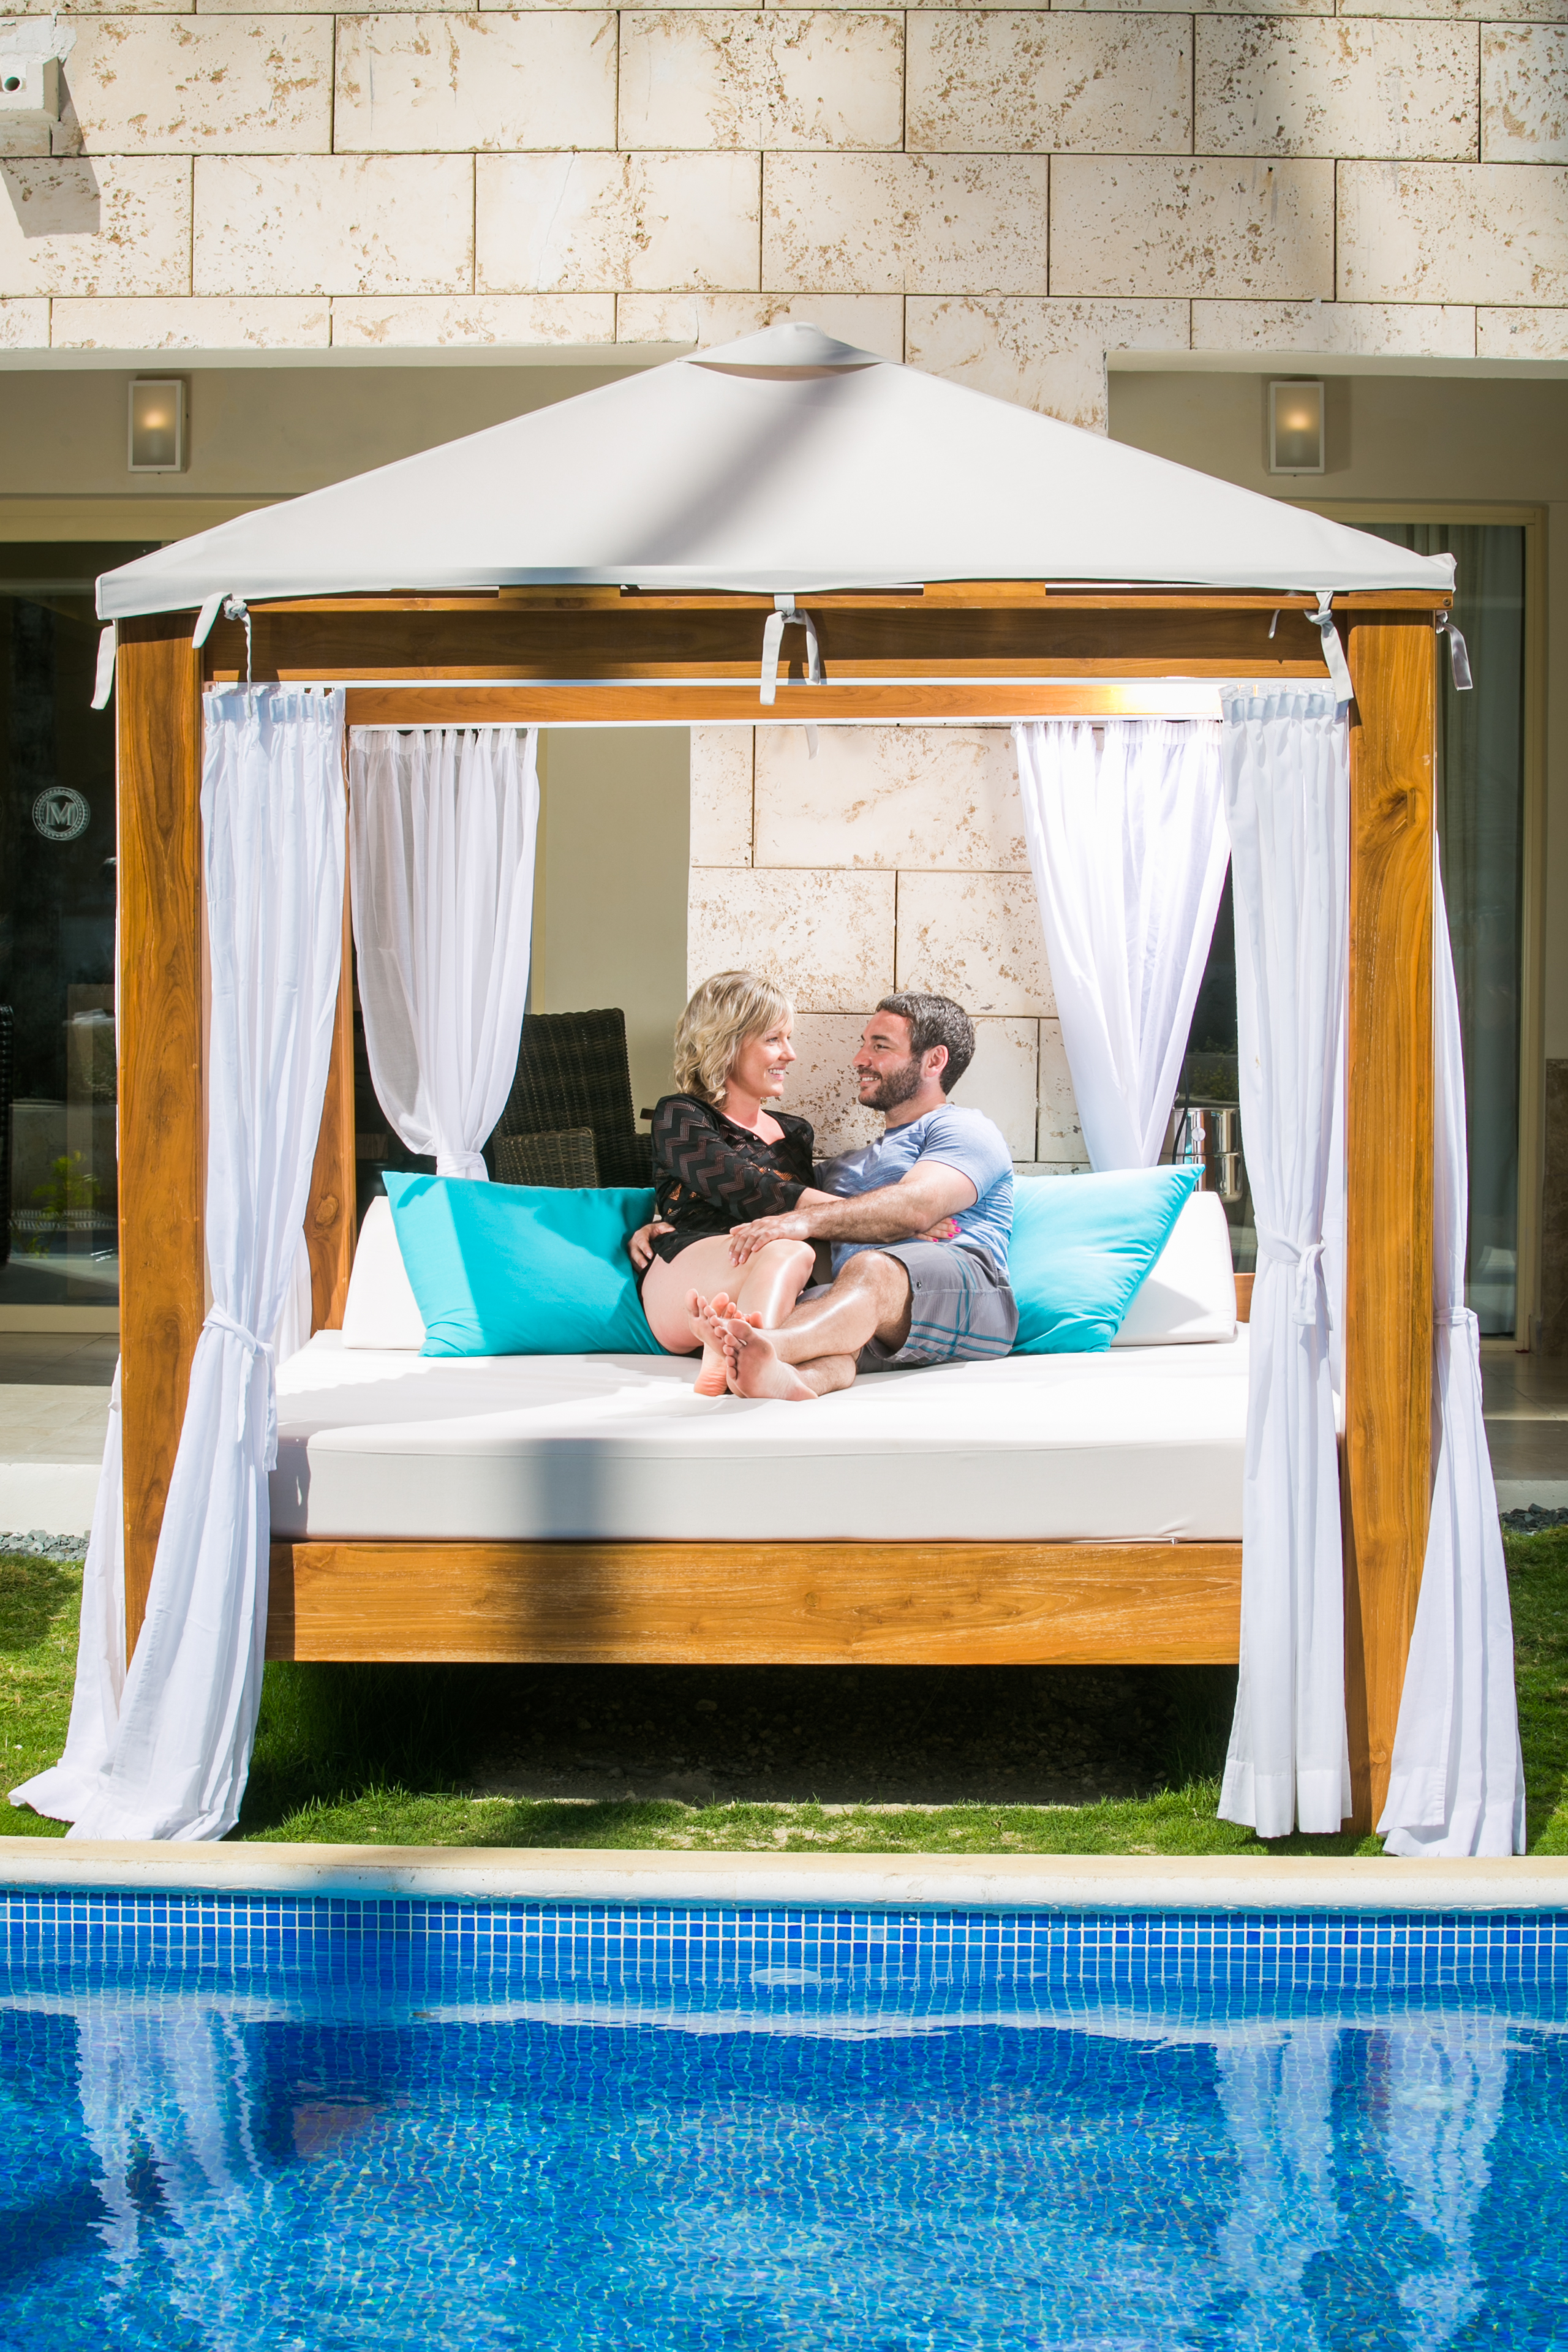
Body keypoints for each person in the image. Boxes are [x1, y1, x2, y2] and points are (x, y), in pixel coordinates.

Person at [685, 992, 1017, 1402]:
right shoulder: (842, 1168)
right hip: (871, 1309)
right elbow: (760, 1198)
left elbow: (915, 1206)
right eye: (864, 1044)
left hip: (972, 1297)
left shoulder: (964, 1129)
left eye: (880, 1046)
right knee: (826, 1313)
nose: (860, 1058)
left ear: (934, 1062)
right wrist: (664, 1220)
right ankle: (781, 1376)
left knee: (870, 1270)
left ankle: (766, 1343)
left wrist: (802, 1220)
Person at [637, 970, 824, 1395]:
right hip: (688, 1273)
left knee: (790, 1252)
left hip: (764, 1276)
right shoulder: (680, 1116)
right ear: (727, 1042)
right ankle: (739, 1346)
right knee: (788, 1247)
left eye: (788, 1038)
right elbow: (751, 1190)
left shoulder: (796, 1133)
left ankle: (734, 1352)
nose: (790, 1054)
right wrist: (879, 1216)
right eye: (774, 1039)